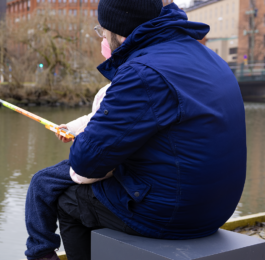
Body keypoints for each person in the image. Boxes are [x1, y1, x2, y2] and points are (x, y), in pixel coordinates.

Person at [24, 1, 247, 260]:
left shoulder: (142, 73)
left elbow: (86, 163)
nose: (102, 39)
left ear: (119, 33)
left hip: (174, 215)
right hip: (217, 209)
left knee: (68, 200)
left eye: (102, 32)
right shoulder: (206, 56)